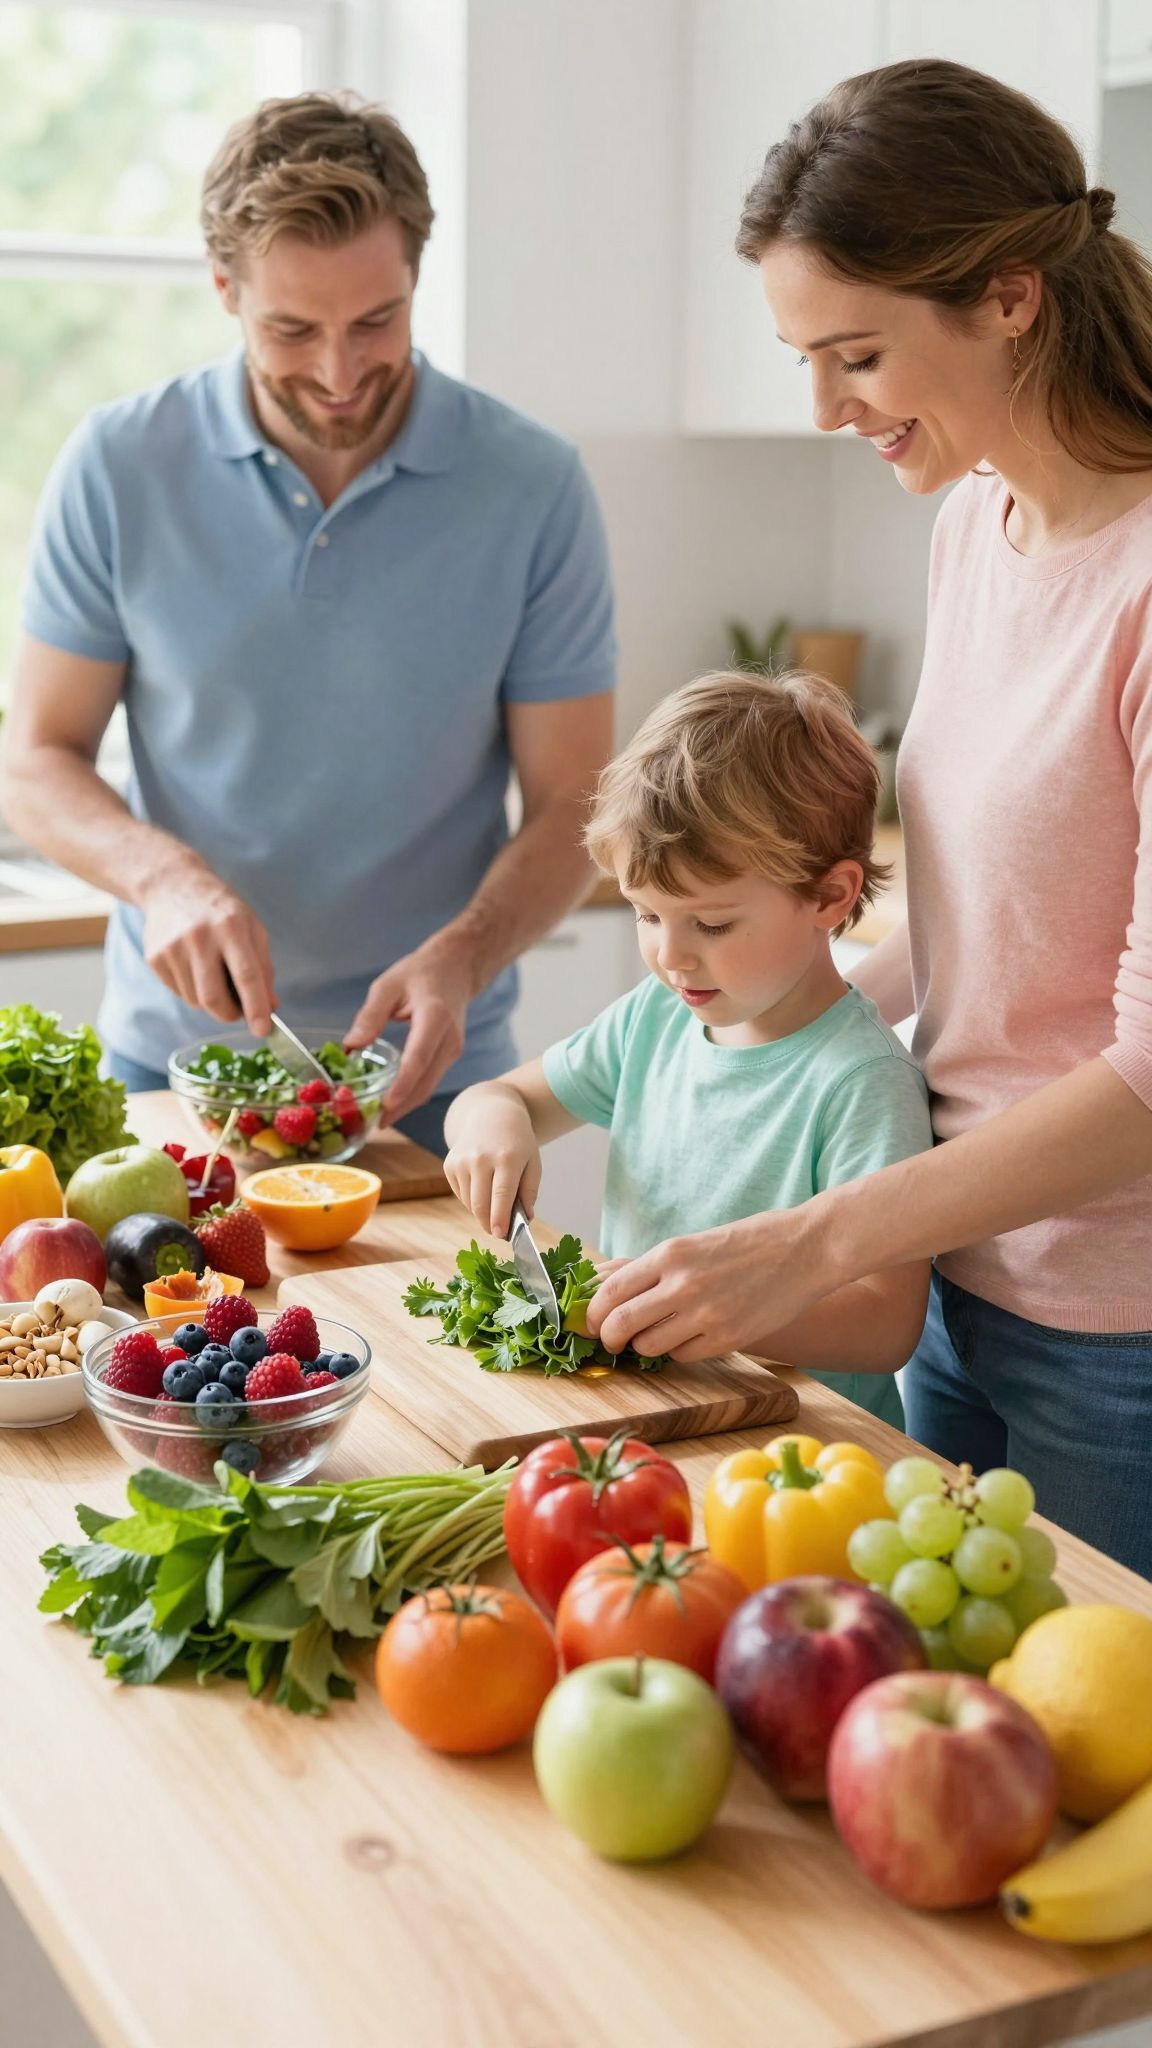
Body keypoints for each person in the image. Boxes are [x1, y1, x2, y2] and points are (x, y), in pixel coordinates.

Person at [586, 60, 1152, 1578]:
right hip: (957, 1274)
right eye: (803, 359)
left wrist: (816, 1239)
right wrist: (732, 988)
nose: (828, 409)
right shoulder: (977, 522)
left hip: (1120, 1332)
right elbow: (977, 928)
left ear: (1010, 298)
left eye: (857, 356)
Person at [0, 93, 616, 1155]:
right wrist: (163, 878)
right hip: (174, 1068)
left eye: (376, 321)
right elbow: (35, 757)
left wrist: (465, 954)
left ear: (416, 278)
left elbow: (574, 802)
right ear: (224, 288)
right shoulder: (117, 465)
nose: (339, 374)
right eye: (293, 329)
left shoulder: (533, 485)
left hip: (430, 1071)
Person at [443, 669, 934, 1426]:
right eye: (646, 915)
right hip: (657, 1412)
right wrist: (491, 1128)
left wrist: (712, 1311)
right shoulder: (657, 1017)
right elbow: (498, 1098)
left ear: (830, 898)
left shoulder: (863, 1080)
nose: (671, 957)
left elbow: (885, 1326)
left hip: (800, 1445)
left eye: (710, 925)